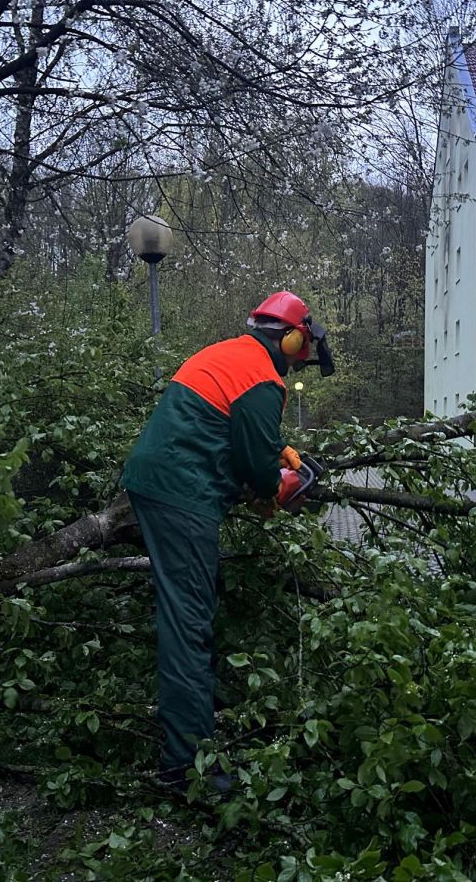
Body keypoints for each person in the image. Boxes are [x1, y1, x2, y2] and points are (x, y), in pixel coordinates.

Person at [121, 291, 333, 791]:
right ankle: (186, 765)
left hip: (162, 482)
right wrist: (277, 489)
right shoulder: (262, 378)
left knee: (197, 599)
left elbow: (232, 429)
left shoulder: (231, 354)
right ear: (292, 337)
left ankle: (201, 709)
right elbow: (258, 471)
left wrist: (281, 454)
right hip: (182, 494)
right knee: (187, 623)